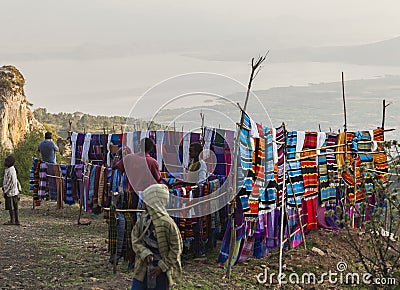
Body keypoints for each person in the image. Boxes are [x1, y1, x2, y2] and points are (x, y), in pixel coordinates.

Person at [131, 183, 183, 290]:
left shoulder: (168, 223)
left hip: (162, 271)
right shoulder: (143, 220)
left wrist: (162, 266)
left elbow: (176, 249)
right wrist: (144, 253)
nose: (144, 203)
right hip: (143, 266)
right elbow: (135, 238)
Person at [2, 155, 21, 225]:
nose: (5, 162)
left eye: (6, 161)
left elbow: (11, 182)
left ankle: (13, 220)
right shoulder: (11, 169)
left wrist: (5, 190)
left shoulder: (10, 170)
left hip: (10, 192)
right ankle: (16, 220)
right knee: (15, 207)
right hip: (14, 191)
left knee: (11, 207)